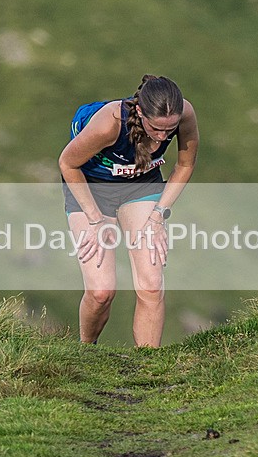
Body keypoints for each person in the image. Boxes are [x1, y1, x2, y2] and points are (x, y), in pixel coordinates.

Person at [58, 74, 199, 347]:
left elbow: (185, 165)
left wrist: (158, 216)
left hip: (140, 186)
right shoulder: (110, 124)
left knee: (151, 285)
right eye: (156, 128)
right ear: (140, 112)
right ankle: (86, 351)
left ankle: (148, 364)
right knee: (101, 292)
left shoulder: (185, 113)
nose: (163, 137)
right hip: (92, 189)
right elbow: (67, 164)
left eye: (170, 130)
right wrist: (95, 220)